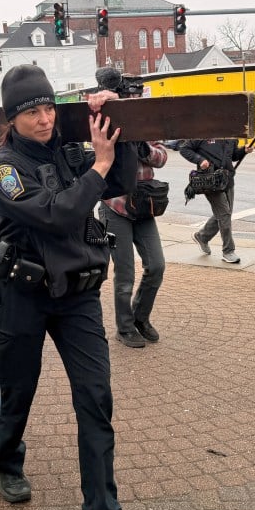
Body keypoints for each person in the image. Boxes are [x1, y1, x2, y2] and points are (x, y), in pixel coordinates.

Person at [0, 64, 148, 510]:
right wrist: (96, 168)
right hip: (23, 296)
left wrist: (114, 127)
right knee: (18, 390)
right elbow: (55, 214)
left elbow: (120, 180)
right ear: (13, 118)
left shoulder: (71, 152)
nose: (44, 118)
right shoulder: (4, 169)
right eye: (32, 111)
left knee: (96, 398)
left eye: (49, 108)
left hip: (76, 296)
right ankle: (6, 459)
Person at [92, 68, 168, 348]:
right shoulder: (105, 118)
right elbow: (99, 153)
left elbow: (161, 157)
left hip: (143, 206)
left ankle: (139, 317)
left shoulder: (147, 124)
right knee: (124, 273)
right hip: (115, 207)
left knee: (156, 266)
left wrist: (143, 149)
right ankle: (124, 327)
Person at [181, 137, 254, 264]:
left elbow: (233, 156)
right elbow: (184, 149)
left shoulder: (231, 135)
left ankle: (202, 237)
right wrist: (200, 160)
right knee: (224, 214)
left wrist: (244, 151)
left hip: (228, 180)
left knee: (224, 214)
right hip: (210, 181)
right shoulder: (204, 132)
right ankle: (228, 251)